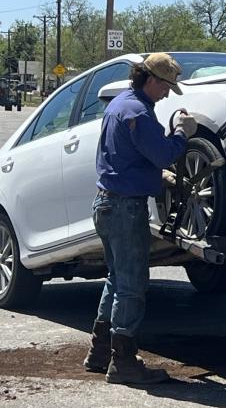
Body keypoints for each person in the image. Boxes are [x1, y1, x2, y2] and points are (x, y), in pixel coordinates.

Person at [82, 52, 197, 385]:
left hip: (106, 203)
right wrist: (181, 134)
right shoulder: (138, 112)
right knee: (132, 285)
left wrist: (154, 176)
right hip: (124, 208)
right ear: (152, 80)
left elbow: (125, 156)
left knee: (117, 279)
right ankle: (124, 362)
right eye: (166, 88)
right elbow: (163, 153)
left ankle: (100, 352)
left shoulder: (120, 104)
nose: (166, 95)